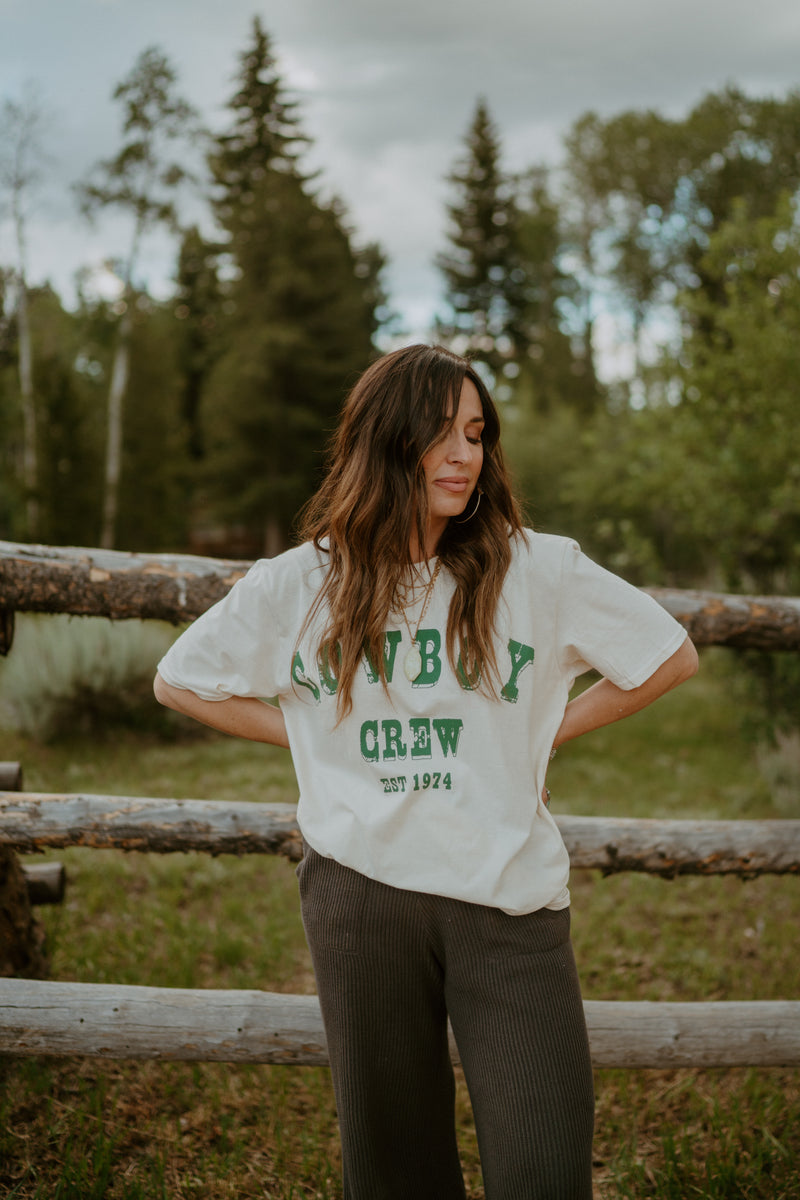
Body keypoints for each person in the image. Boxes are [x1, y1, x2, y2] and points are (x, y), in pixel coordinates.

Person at [154, 343, 698, 1200]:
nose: (463, 454)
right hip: (361, 896)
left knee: (544, 1171)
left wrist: (539, 734)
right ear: (386, 439)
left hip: (509, 897)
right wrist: (310, 734)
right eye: (441, 432)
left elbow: (668, 656)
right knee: (394, 1174)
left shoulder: (537, 567)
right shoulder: (304, 582)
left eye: (476, 434)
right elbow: (180, 680)